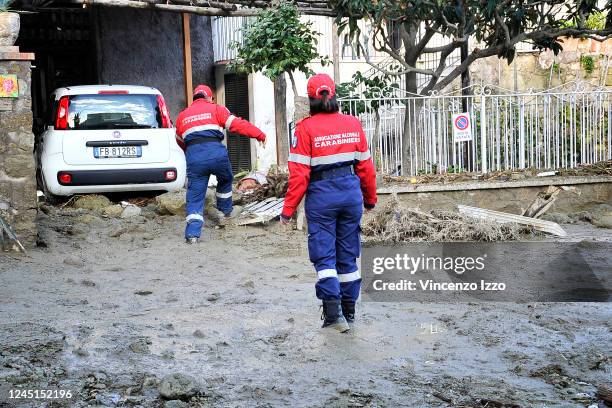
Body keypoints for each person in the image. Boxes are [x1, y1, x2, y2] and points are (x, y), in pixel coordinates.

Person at [280, 73, 377, 332]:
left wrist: (287, 211)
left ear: (311, 99)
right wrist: (370, 199)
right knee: (348, 257)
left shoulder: (305, 129)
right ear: (334, 95)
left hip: (322, 198)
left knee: (325, 257)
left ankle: (333, 315)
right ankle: (350, 311)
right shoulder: (353, 124)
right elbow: (366, 167)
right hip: (350, 195)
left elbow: (299, 175)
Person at [176, 85, 266, 244]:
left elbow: (180, 140)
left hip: (195, 158)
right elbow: (238, 124)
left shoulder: (182, 116)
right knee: (225, 179)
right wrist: (259, 134)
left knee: (195, 194)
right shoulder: (217, 109)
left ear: (195, 98)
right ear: (210, 98)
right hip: (217, 155)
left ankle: (192, 235)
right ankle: (225, 212)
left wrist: (192, 153)